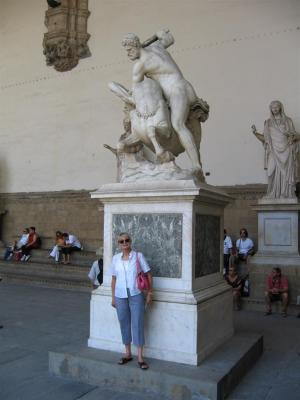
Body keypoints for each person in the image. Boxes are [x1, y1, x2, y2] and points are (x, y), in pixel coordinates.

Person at [121, 30, 208, 178]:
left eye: (129, 50)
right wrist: (153, 38)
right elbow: (168, 37)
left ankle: (196, 166)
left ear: (136, 46)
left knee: (178, 124)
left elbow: (137, 92)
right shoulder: (156, 48)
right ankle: (194, 164)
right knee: (180, 125)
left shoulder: (140, 66)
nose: (128, 54)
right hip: (186, 87)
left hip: (176, 91)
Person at [111, 232, 152, 370]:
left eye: (126, 240)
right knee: (124, 322)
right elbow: (114, 279)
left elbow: (148, 274)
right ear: (118, 244)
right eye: (121, 241)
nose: (124, 243)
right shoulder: (115, 258)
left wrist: (150, 292)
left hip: (136, 293)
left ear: (130, 241)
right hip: (120, 294)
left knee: (138, 323)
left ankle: (140, 357)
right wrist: (113, 297)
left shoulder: (138, 256)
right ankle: (127, 353)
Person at [252, 100, 300, 199]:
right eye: (272, 107)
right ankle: (271, 193)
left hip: (286, 150)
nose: (274, 109)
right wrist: (255, 133)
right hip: (273, 151)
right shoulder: (268, 123)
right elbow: (265, 139)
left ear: (280, 107)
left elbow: (296, 135)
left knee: (285, 174)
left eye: (276, 106)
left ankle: (285, 193)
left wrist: (292, 137)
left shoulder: (288, 121)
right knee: (271, 171)